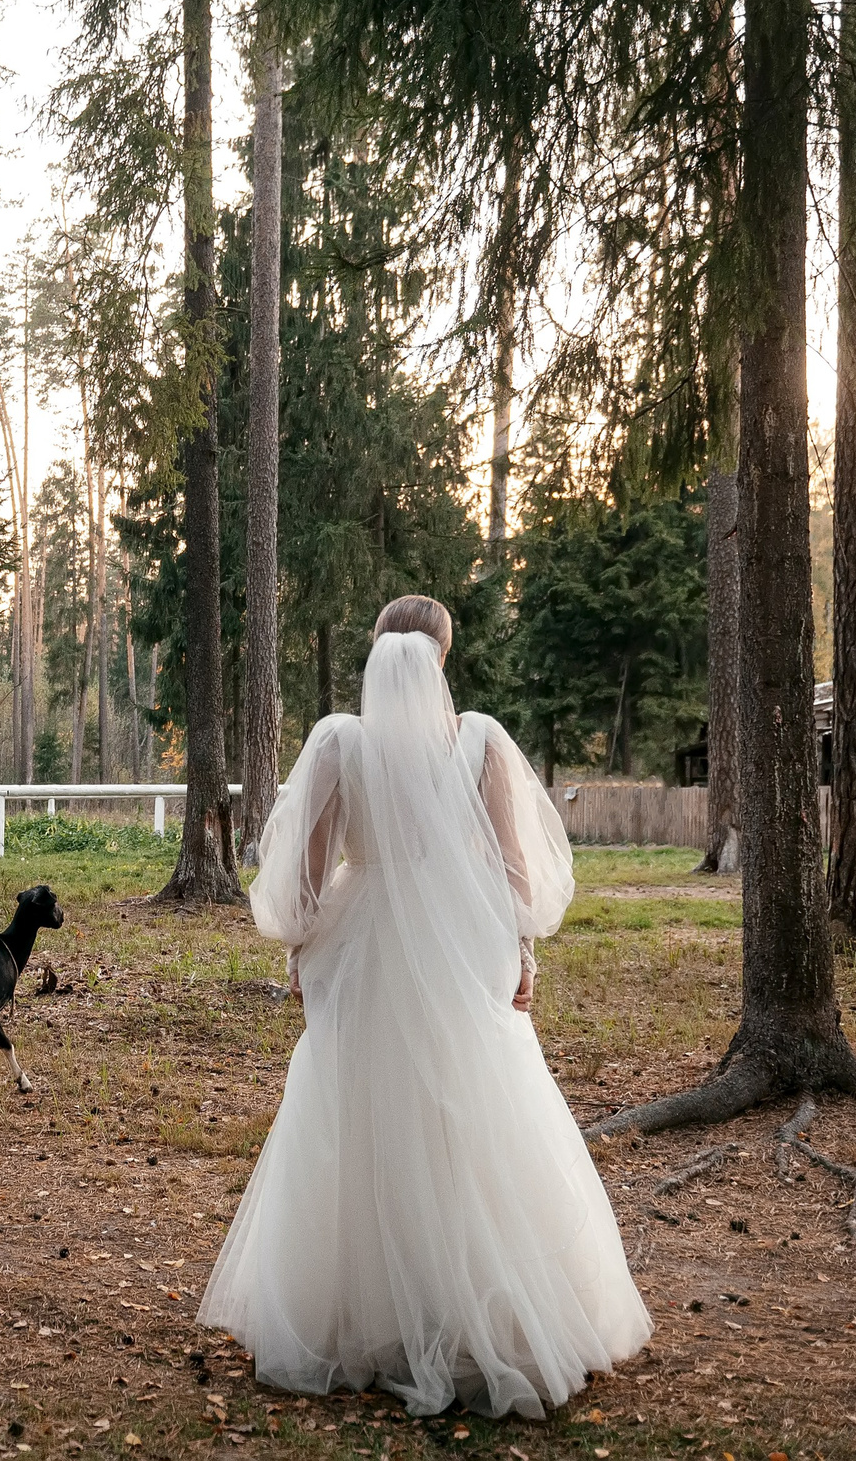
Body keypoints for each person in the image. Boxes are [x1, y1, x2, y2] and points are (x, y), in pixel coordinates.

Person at [197, 594, 650, 1417]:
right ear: (441, 659)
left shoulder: (342, 741)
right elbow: (517, 874)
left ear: (376, 656)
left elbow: (301, 876)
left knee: (364, 1115)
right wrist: (521, 950)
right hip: (461, 940)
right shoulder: (478, 739)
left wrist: (303, 942)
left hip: (365, 950)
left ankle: (362, 1316)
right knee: (469, 1114)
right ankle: (478, 1313)